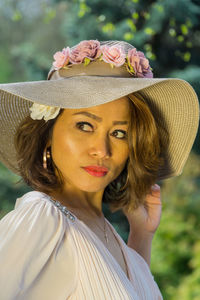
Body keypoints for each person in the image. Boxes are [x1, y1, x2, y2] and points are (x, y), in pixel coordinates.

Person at [0, 40, 199, 300]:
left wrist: (142, 235)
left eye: (119, 133)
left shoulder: (111, 237)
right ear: (47, 134)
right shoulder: (44, 217)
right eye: (84, 126)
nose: (102, 150)